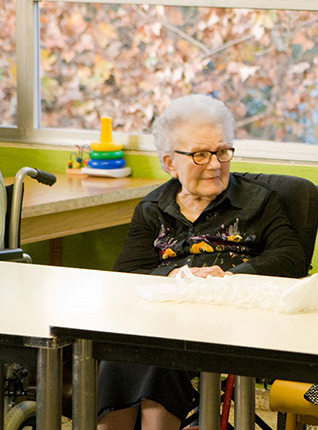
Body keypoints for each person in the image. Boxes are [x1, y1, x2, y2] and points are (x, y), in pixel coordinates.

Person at [97, 94, 306, 430]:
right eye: (200, 154)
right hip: (162, 318)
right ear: (169, 162)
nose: (215, 164)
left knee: (156, 351)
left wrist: (230, 277)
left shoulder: (257, 202)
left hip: (229, 324)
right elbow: (126, 274)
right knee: (123, 347)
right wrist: (176, 274)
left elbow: (290, 258)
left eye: (222, 152)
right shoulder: (152, 209)